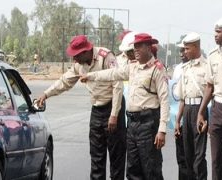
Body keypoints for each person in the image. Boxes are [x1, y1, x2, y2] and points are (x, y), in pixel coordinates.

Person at [80, 33, 169, 180]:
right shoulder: (132, 67)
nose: (136, 50)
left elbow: (164, 100)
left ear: (148, 47)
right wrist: (90, 76)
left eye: (139, 47)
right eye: (134, 47)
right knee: (133, 170)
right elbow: (112, 74)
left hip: (148, 123)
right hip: (132, 123)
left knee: (151, 168)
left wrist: (162, 130)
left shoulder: (157, 69)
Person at [37, 35, 126, 180]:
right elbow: (65, 81)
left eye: (76, 55)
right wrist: (46, 94)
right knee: (96, 158)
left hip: (113, 108)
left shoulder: (106, 57)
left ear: (86, 52)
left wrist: (114, 115)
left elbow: (118, 85)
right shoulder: (79, 64)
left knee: (117, 157)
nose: (74, 59)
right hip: (97, 110)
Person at [197, 17, 222, 180]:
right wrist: (201, 112)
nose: (215, 35)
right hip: (217, 109)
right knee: (216, 160)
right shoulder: (212, 56)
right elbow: (209, 87)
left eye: (218, 32)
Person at [174, 32, 208, 180]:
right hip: (187, 110)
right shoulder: (185, 68)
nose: (185, 52)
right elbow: (182, 98)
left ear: (195, 47)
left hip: (199, 110)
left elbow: (209, 90)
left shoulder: (207, 66)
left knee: (199, 156)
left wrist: (202, 113)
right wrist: (177, 121)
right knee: (188, 154)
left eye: (187, 49)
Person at [173, 38, 190, 180]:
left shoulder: (200, 67)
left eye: (184, 50)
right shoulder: (178, 69)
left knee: (194, 156)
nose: (181, 53)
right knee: (181, 156)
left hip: (193, 114)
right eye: (180, 50)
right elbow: (175, 95)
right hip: (179, 116)